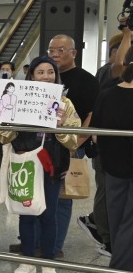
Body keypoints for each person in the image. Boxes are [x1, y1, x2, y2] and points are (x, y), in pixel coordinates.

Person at [0, 56, 80, 273]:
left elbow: (73, 141)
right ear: (31, 76)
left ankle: (48, 261)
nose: (46, 76)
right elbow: (4, 136)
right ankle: (27, 260)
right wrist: (4, 120)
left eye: (50, 72)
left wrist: (61, 126)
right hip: (24, 163)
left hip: (51, 164)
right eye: (40, 72)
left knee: (49, 213)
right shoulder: (15, 99)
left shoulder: (65, 103)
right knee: (26, 213)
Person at [47, 34, 99, 258]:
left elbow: (93, 114)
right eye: (51, 50)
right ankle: (36, 239)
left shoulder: (86, 80)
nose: (55, 54)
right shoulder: (46, 78)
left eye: (60, 50)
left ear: (73, 53)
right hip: (42, 145)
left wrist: (76, 142)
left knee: (61, 198)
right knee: (40, 193)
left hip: (70, 146)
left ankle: (54, 246)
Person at [90, 60, 133, 273]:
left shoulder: (106, 94)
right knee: (129, 221)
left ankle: (121, 271)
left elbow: (96, 134)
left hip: (112, 165)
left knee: (117, 217)